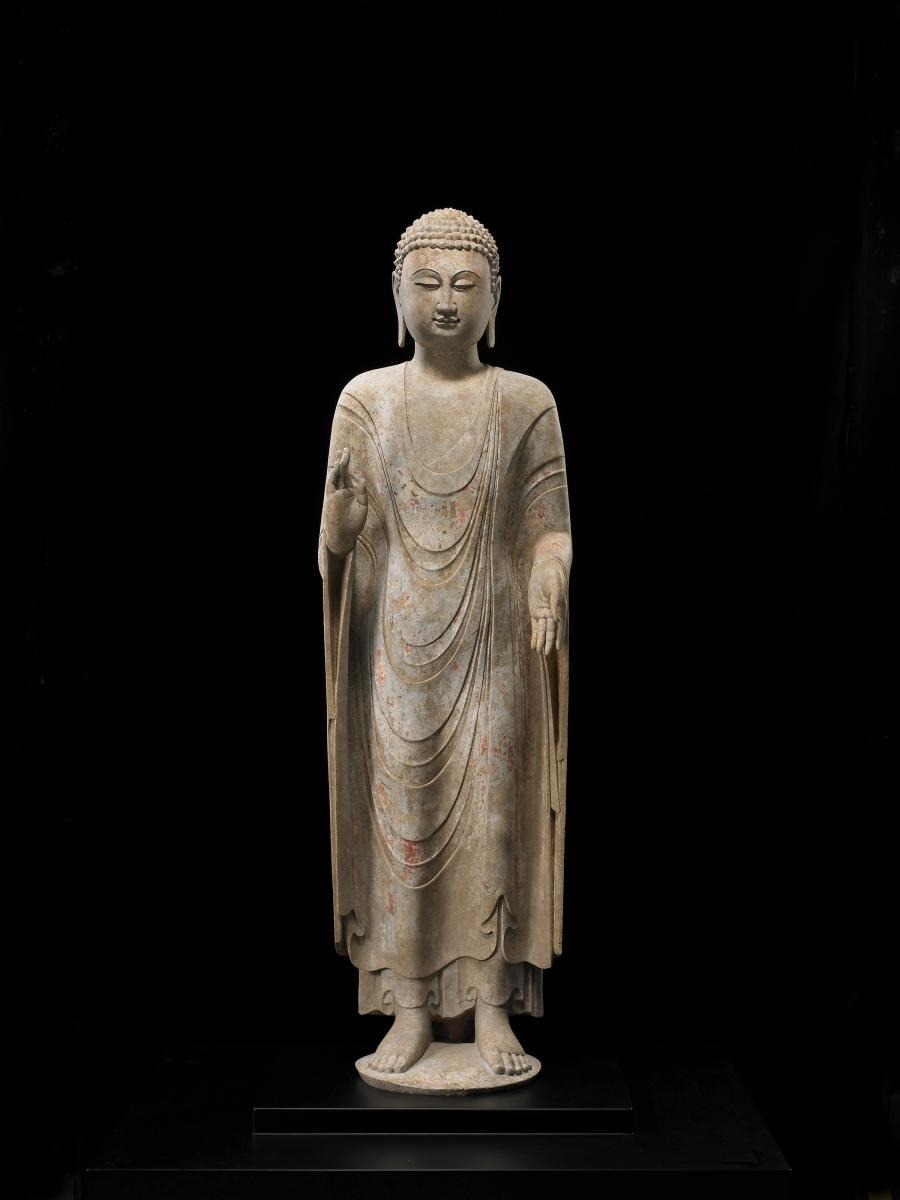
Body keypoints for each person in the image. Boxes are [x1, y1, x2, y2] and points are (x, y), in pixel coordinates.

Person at [319, 209, 572, 1079]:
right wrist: (338, 529)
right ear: (397, 296)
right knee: (405, 829)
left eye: (466, 284)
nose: (447, 301)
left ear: (496, 298)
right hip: (397, 647)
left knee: (496, 817)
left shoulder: (526, 402)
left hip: (496, 642)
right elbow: (337, 540)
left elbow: (550, 527)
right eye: (426, 283)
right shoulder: (366, 400)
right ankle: (413, 1009)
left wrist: (549, 575)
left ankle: (492, 1005)